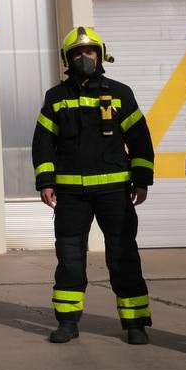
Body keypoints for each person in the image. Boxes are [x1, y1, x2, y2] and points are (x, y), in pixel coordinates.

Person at [32, 26, 155, 345]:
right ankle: (67, 322)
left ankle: (135, 323)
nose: (84, 57)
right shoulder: (55, 98)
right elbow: (43, 143)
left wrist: (141, 179)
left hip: (115, 191)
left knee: (123, 255)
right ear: (67, 59)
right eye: (77, 53)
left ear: (100, 55)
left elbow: (140, 139)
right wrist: (46, 181)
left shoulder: (120, 93)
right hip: (71, 194)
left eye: (89, 52)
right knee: (70, 258)